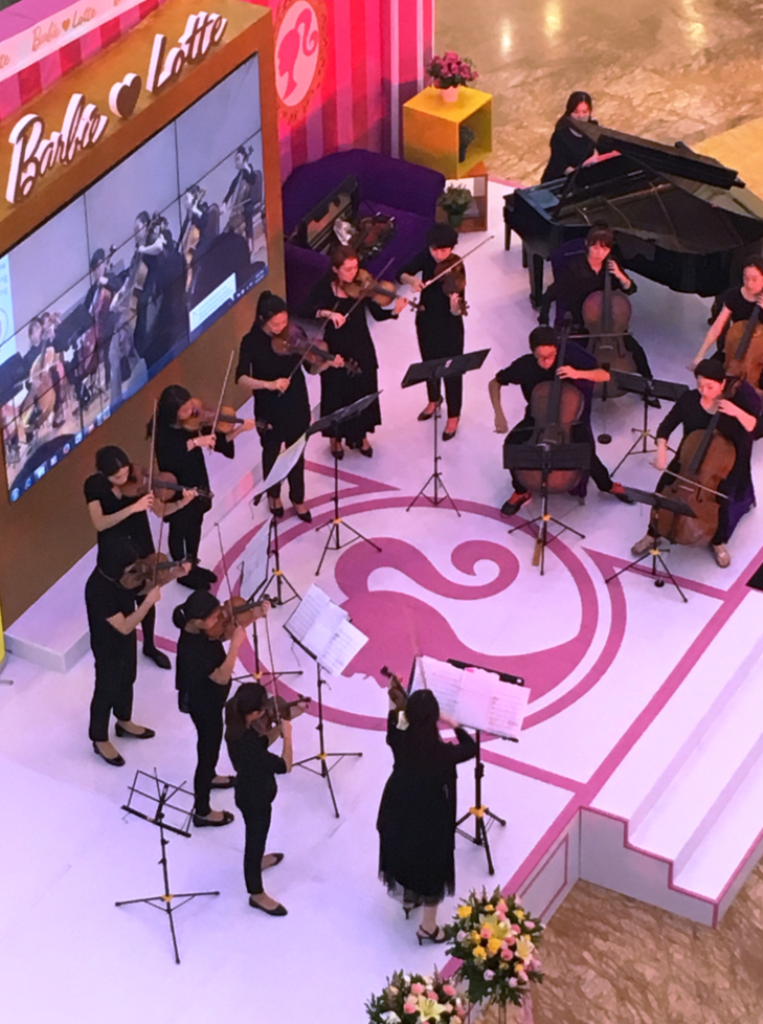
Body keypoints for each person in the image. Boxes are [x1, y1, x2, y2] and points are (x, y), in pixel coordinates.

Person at [489, 325, 634, 514]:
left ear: (556, 350)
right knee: (511, 445)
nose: (547, 361)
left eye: (551, 356)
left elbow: (605, 376)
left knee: (585, 451)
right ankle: (521, 490)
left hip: (569, 419)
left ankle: (606, 484)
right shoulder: (525, 365)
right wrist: (498, 414)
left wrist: (578, 373)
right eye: (541, 357)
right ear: (533, 352)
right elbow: (494, 383)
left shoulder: (569, 358)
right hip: (537, 418)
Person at [631, 360, 761, 568]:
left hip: (724, 465)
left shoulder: (736, 404)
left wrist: (737, 412)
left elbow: (757, 429)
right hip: (688, 457)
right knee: (662, 491)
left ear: (722, 384)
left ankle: (717, 542)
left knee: (721, 503)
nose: (704, 392)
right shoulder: (689, 399)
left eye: (710, 387)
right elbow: (666, 426)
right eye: (700, 385)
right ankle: (652, 533)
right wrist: (661, 451)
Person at [377, 684, 477, 943]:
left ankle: (410, 898)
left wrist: (395, 699)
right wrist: (453, 723)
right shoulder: (442, 753)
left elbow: (395, 719)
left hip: (397, 808)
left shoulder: (399, 739)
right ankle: (428, 927)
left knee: (403, 850)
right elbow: (471, 748)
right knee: (432, 864)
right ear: (434, 719)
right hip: (429, 816)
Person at [85, 445, 195, 668]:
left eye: (126, 472)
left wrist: (182, 502)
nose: (124, 479)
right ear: (103, 474)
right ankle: (127, 645)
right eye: (118, 477)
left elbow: (161, 511)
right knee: (124, 594)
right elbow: (100, 523)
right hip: (116, 551)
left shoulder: (138, 480)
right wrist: (133, 508)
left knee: (147, 593)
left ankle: (150, 645)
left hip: (141, 541)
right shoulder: (94, 486)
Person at [236, 291, 342, 521]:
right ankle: (273, 494)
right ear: (262, 320)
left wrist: (328, 364)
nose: (282, 327)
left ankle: (298, 497)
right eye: (276, 324)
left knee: (297, 453)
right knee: (271, 452)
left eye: (284, 321)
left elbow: (311, 368)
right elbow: (242, 378)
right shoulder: (251, 342)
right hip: (269, 406)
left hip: (296, 402)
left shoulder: (294, 333)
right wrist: (269, 384)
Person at [173, 591, 270, 827]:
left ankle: (212, 776)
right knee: (207, 751)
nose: (221, 620)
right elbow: (221, 676)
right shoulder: (191, 650)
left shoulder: (203, 630)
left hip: (211, 700)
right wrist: (236, 645)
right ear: (198, 621)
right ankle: (202, 811)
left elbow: (222, 631)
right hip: (204, 705)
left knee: (211, 748)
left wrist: (255, 615)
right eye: (215, 617)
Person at [304, 244, 406, 458]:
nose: (354, 273)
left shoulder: (362, 285)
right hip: (336, 347)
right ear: (335, 269)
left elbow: (376, 313)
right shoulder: (325, 286)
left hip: (361, 345)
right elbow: (307, 308)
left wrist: (394, 312)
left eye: (355, 267)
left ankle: (360, 435)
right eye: (348, 269)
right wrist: (328, 313)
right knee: (336, 392)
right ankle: (335, 438)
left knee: (363, 388)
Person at [151, 384, 255, 589]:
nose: (192, 412)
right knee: (179, 526)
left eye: (190, 405)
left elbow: (219, 441)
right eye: (185, 410)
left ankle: (192, 562)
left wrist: (240, 429)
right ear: (173, 413)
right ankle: (182, 571)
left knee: (195, 522)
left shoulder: (192, 422)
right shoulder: (163, 432)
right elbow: (170, 455)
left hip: (196, 476)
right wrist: (196, 442)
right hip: (178, 486)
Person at [539, 225, 653, 382]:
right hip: (581, 323)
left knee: (636, 350)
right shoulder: (574, 268)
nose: (600, 253)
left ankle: (648, 383)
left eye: (605, 249)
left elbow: (631, 289)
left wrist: (620, 276)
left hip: (608, 325)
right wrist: (543, 322)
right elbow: (550, 295)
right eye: (596, 248)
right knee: (573, 357)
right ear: (587, 245)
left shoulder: (611, 264)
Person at [85, 538, 161, 766]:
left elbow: (138, 588)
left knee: (128, 676)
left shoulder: (124, 578)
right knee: (106, 688)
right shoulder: (98, 590)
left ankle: (123, 720)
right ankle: (99, 738)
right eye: (130, 569)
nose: (135, 573)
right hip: (107, 644)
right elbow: (125, 626)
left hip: (125, 639)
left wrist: (170, 574)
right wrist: (148, 603)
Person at [225, 683, 293, 915]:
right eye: (262, 710)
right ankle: (256, 892)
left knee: (257, 836)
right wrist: (288, 737)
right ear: (252, 713)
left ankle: (257, 862)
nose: (265, 713)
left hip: (250, 790)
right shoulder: (249, 749)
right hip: (255, 799)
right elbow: (285, 765)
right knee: (255, 840)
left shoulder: (236, 722)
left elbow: (261, 740)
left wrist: (280, 727)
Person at [399, 223, 466, 441]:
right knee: (429, 363)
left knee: (452, 370)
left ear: (452, 248)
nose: (438, 255)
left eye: (444, 250)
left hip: (450, 326)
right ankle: (434, 399)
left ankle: (454, 414)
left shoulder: (456, 265)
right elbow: (402, 272)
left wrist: (455, 306)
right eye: (435, 250)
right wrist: (412, 280)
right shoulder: (426, 257)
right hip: (426, 319)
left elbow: (458, 308)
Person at [690, 257, 763, 375]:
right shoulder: (733, 295)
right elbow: (717, 327)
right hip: (735, 346)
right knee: (706, 373)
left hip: (759, 354)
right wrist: (701, 354)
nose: (749, 284)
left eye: (755, 279)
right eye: (746, 278)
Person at [541, 91, 617, 183]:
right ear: (569, 112)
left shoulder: (593, 127)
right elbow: (561, 167)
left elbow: (604, 147)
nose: (581, 116)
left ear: (590, 112)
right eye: (576, 112)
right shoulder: (560, 135)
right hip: (561, 181)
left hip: (587, 174)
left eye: (585, 112)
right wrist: (583, 169)